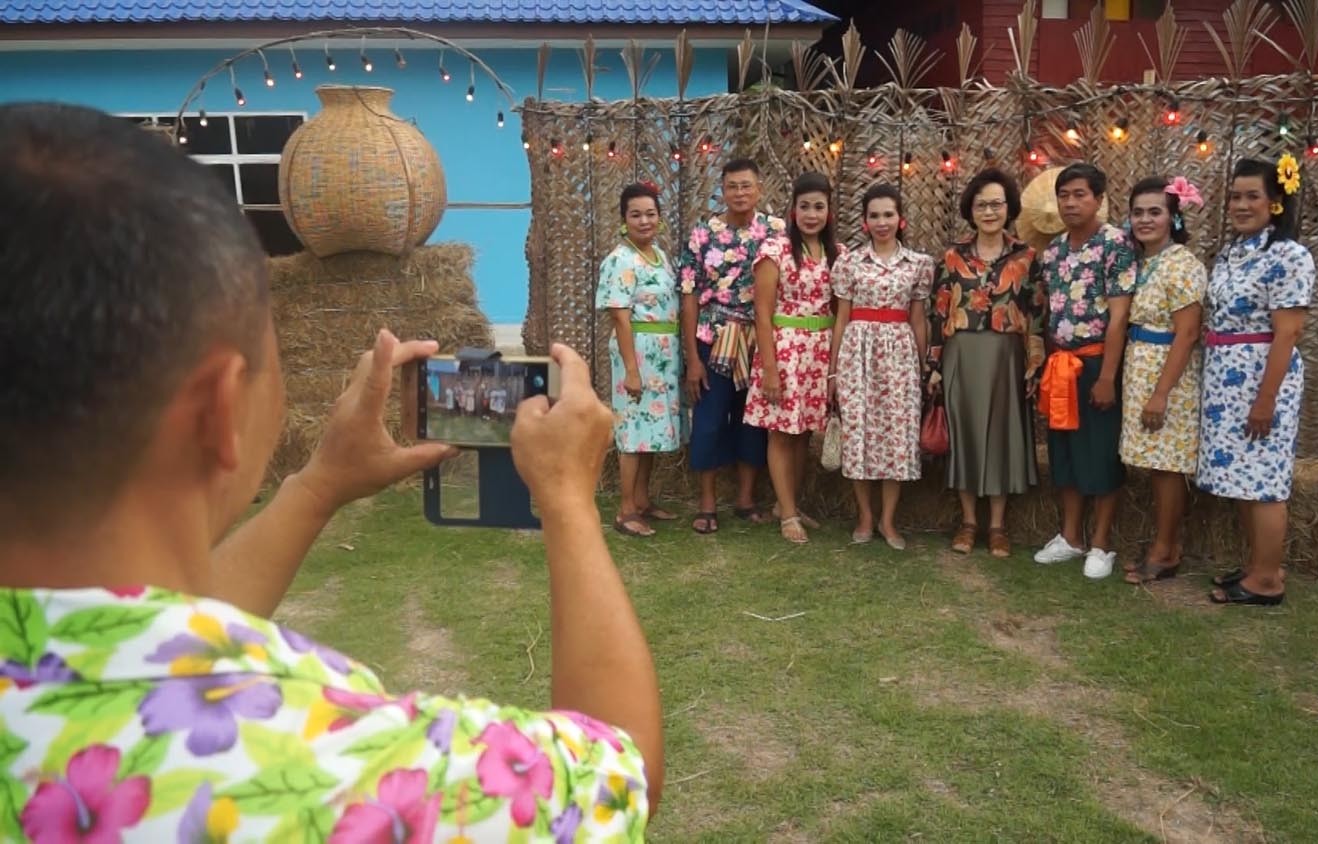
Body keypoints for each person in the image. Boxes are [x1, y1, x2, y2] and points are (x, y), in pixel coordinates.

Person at [0, 103, 662, 840]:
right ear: (217, 410)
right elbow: (616, 774)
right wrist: (568, 502)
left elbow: (125, 633)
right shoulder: (335, 760)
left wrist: (315, 487)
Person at [1199, 156, 1316, 606]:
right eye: (1235, 196)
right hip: (1226, 380)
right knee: (1243, 478)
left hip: (1260, 377)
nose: (1241, 204)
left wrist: (1266, 399)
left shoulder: (1288, 255)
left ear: (1276, 202)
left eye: (1253, 196)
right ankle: (1257, 567)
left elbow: (1288, 331)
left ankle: (1268, 580)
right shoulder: (1234, 251)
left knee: (1264, 480)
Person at [929, 169, 1044, 558]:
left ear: (1009, 207)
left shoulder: (1027, 257)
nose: (990, 211)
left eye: (996, 203)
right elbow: (937, 311)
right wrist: (933, 364)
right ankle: (967, 522)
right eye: (982, 204)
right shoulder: (951, 256)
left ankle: (997, 527)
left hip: (1006, 357)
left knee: (1000, 435)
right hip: (961, 352)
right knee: (966, 435)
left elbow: (1037, 313)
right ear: (970, 210)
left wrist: (1034, 363)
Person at [1033, 163, 1139, 579]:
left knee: (1101, 454)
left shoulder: (1116, 245)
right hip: (1060, 364)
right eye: (1065, 195)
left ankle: (1101, 543)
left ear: (1098, 199)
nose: (1071, 202)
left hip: (1097, 362)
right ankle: (1070, 537)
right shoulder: (1054, 251)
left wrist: (1107, 377)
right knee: (1066, 455)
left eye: (1080, 194)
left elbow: (1118, 319)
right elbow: (1047, 313)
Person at [679, 159, 784, 534]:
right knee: (707, 421)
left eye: (747, 186)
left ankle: (745, 497)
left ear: (759, 188)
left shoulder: (776, 232)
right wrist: (692, 356)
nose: (740, 193)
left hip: (759, 342)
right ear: (722, 190)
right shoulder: (702, 234)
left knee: (751, 420)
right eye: (732, 187)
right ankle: (706, 502)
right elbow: (689, 295)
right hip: (712, 339)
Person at [829, 184, 932, 550]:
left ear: (900, 218)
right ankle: (865, 516)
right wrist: (834, 370)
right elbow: (841, 318)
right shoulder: (849, 263)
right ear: (864, 221)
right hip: (858, 353)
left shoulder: (919, 264)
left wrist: (922, 368)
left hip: (900, 356)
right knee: (859, 435)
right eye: (875, 215)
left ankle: (888, 520)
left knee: (897, 440)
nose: (882, 221)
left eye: (888, 214)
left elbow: (918, 319)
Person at [744, 172, 845, 544]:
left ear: (829, 211)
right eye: (805, 206)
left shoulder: (839, 254)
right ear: (793, 210)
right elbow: (762, 312)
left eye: (819, 207)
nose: (812, 214)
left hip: (819, 352)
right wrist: (770, 369)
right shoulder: (776, 251)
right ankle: (786, 513)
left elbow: (840, 308)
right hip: (785, 351)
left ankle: (791, 504)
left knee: (803, 432)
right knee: (782, 433)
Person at [1119, 176, 1208, 584]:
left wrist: (1160, 393)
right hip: (1142, 365)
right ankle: (1164, 543)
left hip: (1166, 375)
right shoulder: (1144, 262)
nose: (1145, 219)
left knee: (1168, 467)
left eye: (1155, 211)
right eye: (1138, 212)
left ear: (1173, 217)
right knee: (1156, 464)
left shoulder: (1183, 264)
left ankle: (1166, 550)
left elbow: (1187, 332)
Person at [597, 182, 682, 537]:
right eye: (636, 214)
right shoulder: (620, 260)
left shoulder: (660, 256)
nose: (644, 221)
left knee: (649, 430)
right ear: (623, 219)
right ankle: (626, 510)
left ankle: (643, 500)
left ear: (659, 218)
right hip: (637, 351)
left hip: (662, 354)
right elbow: (619, 316)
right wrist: (631, 370)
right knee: (632, 431)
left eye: (650, 214)